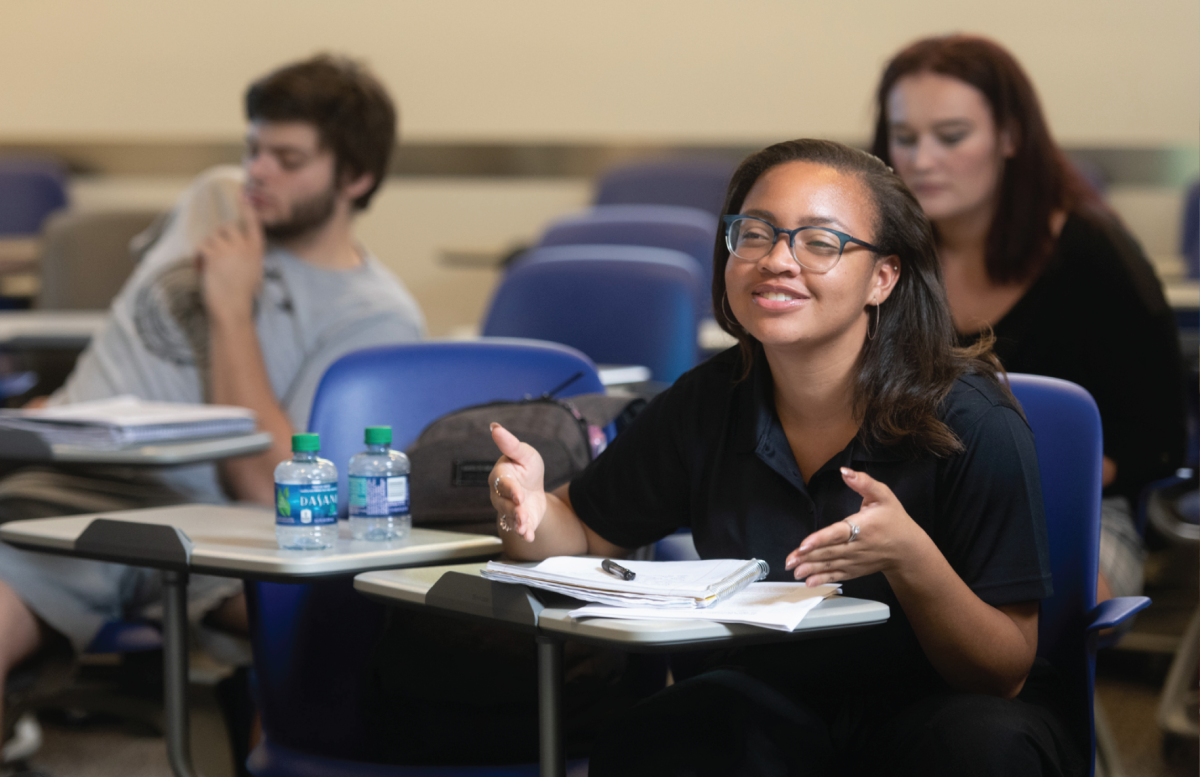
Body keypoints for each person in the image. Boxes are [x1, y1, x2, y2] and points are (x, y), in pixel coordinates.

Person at [488, 139, 1083, 776]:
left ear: (882, 278)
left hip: (944, 708)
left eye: (820, 242)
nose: (776, 260)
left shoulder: (972, 419)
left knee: (981, 750)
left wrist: (912, 559)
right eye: (754, 234)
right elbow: (580, 532)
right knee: (655, 739)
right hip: (777, 699)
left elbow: (1002, 672)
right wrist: (527, 510)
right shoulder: (709, 401)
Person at [0, 54, 424, 744]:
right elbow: (135, 340)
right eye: (254, 148)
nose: (257, 172)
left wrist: (230, 310)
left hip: (173, 513)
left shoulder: (375, 316)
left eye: (288, 159)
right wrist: (69, 404)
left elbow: (265, 483)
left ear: (356, 178)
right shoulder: (216, 197)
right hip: (49, 469)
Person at [870, 34, 1186, 606]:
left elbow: (1157, 440)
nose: (922, 160)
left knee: (1029, 610)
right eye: (905, 138)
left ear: (1010, 137)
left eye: (951, 136)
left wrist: (1003, 493)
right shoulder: (878, 254)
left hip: (1073, 509)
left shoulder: (1091, 253)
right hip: (908, 506)